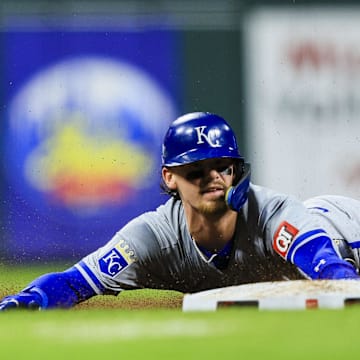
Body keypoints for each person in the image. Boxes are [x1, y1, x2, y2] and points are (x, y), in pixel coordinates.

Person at [1, 111, 360, 311]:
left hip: (349, 234)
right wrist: (26, 302)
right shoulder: (153, 237)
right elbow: (73, 282)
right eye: (196, 169)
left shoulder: (272, 214)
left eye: (223, 165)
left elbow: (332, 269)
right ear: (169, 177)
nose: (213, 177)